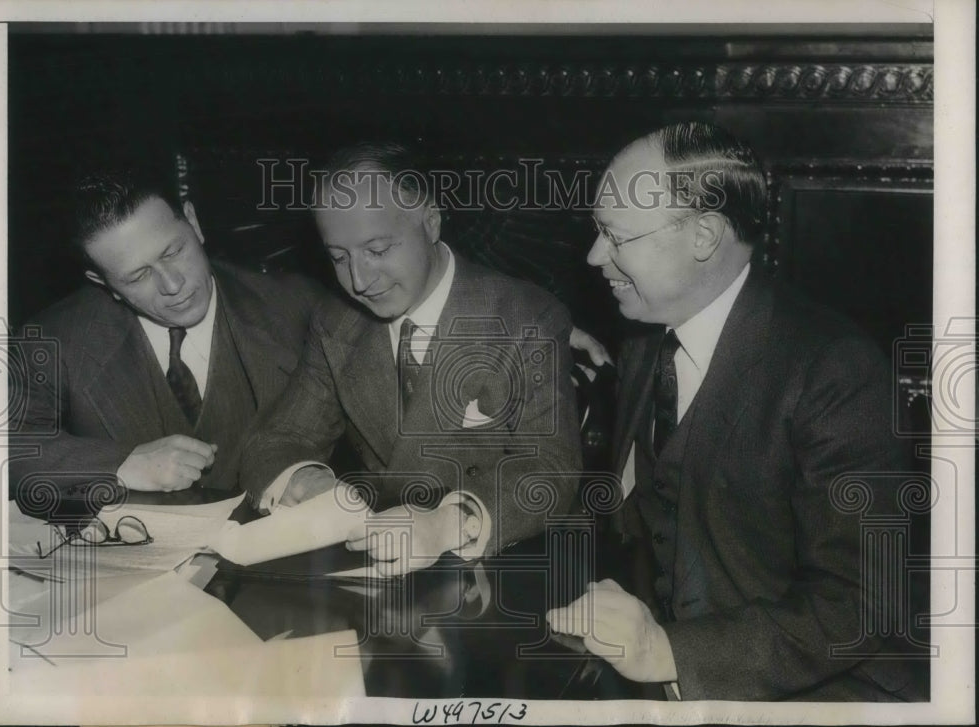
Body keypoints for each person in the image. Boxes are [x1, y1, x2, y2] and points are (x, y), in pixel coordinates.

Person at [547, 122, 924, 700]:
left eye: (615, 236)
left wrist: (666, 652)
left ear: (704, 236)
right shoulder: (645, 339)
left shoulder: (833, 368)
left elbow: (860, 602)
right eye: (598, 230)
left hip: (826, 692)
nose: (595, 255)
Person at [239, 142, 582, 575]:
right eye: (339, 258)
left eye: (378, 250)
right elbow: (274, 440)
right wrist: (307, 481)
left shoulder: (525, 317)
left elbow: (551, 470)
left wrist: (447, 523)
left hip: (495, 572)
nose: (359, 281)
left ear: (431, 222)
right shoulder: (337, 322)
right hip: (376, 567)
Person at [9, 164, 323, 513]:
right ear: (102, 283)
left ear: (194, 221)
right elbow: (0, 447)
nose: (173, 285)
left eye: (173, 252)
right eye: (138, 276)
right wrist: (122, 464)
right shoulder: (57, 339)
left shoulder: (300, 307)